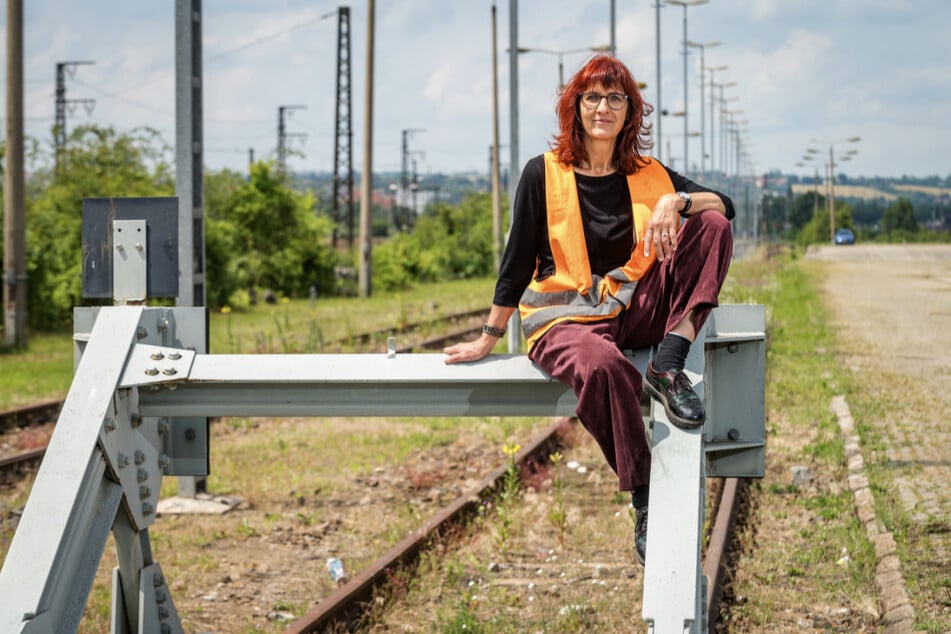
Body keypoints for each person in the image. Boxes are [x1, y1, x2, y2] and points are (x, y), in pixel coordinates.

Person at [443, 55, 734, 565]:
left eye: (615, 98)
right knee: (604, 368)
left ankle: (668, 364)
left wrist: (679, 203)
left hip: (631, 305)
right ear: (575, 107)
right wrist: (488, 336)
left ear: (630, 111)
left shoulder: (650, 173)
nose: (603, 107)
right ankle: (645, 496)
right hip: (564, 318)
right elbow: (515, 264)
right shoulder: (543, 173)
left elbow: (723, 204)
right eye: (593, 97)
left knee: (713, 227)